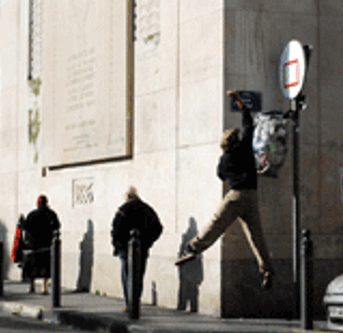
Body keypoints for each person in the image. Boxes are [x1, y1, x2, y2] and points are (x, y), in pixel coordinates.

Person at [175, 90, 274, 290]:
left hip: (236, 196)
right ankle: (267, 269)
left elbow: (220, 175)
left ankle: (194, 247)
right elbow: (249, 125)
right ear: (236, 141)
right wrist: (241, 104)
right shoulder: (245, 147)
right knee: (256, 236)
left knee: (217, 222)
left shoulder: (225, 159)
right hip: (252, 197)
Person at [111, 186, 163, 312]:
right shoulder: (147, 209)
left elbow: (115, 229)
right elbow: (158, 228)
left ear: (128, 197)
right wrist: (148, 242)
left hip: (125, 249)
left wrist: (117, 245)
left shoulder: (123, 209)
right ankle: (136, 301)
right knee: (139, 276)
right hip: (142, 248)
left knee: (127, 276)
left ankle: (129, 303)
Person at [22, 195, 60, 294]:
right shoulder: (51, 214)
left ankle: (32, 286)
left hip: (34, 245)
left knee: (33, 266)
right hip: (46, 244)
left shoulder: (32, 214)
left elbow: (26, 227)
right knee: (45, 267)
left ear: (38, 203)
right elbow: (57, 226)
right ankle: (44, 287)